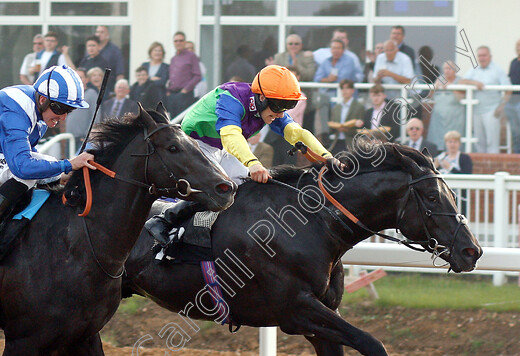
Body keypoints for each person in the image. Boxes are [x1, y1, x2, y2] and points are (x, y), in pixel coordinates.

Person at [145, 65, 343, 246]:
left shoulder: (269, 107)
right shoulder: (231, 98)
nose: (281, 114)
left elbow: (297, 133)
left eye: (287, 107)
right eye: (278, 107)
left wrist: (328, 158)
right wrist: (253, 163)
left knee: (247, 187)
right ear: (262, 97)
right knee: (221, 187)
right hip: (193, 145)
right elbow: (230, 134)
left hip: (221, 147)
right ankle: (163, 220)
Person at [0, 65, 95, 249]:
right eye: (61, 108)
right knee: (26, 174)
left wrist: (63, 170)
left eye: (69, 110)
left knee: (50, 163)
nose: (64, 116)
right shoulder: (16, 109)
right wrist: (67, 165)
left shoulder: (40, 114)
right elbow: (22, 167)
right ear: (43, 99)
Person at [458, 46, 510, 153]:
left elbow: (508, 90)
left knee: (492, 142)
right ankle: (480, 167)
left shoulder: (498, 70)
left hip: (492, 110)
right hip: (476, 110)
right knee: (479, 142)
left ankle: (493, 168)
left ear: (490, 56)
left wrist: (501, 107)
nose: (482, 58)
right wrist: (475, 83)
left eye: (484, 55)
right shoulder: (474, 69)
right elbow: (462, 82)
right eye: (480, 56)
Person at [426, 61, 465, 149]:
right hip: (438, 120)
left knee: (453, 141)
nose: (447, 71)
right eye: (446, 68)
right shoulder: (439, 79)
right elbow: (429, 97)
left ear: (455, 70)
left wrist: (450, 87)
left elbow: (461, 98)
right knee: (437, 142)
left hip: (454, 120)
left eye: (450, 68)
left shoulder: (460, 81)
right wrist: (434, 88)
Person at [434, 130, 472, 216]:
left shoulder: (464, 158)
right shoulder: (441, 158)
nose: (452, 144)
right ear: (446, 143)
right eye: (450, 142)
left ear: (459, 144)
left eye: (455, 142)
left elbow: (467, 175)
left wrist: (451, 168)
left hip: (460, 196)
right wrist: (435, 167)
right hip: (443, 196)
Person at [165, 32, 202, 118]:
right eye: (176, 41)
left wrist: (185, 90)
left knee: (183, 121)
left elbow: (197, 75)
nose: (178, 43)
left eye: (181, 40)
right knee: (173, 122)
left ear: (185, 42)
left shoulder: (191, 56)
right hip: (172, 95)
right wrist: (168, 92)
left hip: (185, 95)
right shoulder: (173, 58)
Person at [328, 79, 364, 154]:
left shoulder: (359, 107)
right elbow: (332, 126)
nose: (344, 91)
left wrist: (347, 129)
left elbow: (362, 129)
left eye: (347, 88)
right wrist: (335, 127)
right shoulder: (337, 107)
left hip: (351, 143)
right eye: (342, 88)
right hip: (337, 141)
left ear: (352, 90)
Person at [65, 68, 96, 148]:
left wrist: (88, 135)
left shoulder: (92, 94)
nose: (78, 79)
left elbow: (95, 115)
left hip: (83, 139)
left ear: (87, 79)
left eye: (81, 77)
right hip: (69, 137)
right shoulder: (70, 94)